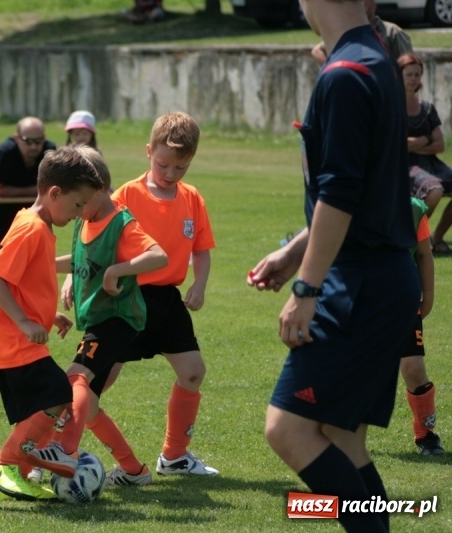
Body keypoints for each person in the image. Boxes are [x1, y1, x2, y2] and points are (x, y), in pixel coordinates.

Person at [248, 1, 421, 531]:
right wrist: (293, 251)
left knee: (288, 429)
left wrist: (306, 286)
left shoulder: (346, 74)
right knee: (343, 439)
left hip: (358, 285)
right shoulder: (375, 60)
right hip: (382, 277)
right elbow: (361, 191)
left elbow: (341, 193)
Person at [85, 112, 219, 480]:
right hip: (126, 300)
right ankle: (50, 446)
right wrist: (73, 280)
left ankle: (174, 456)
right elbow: (94, 242)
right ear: (148, 152)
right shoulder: (126, 194)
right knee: (93, 383)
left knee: (193, 373)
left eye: (181, 167)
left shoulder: (192, 199)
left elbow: (202, 249)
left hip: (167, 303)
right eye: (163, 164)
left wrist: (199, 284)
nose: (171, 173)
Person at [0, 145, 104, 501]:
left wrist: (47, 316)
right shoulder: (31, 228)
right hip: (9, 336)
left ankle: (25, 468)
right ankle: (5, 463)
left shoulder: (40, 226)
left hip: (18, 333)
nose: (79, 214)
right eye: (77, 205)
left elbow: (26, 282)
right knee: (57, 394)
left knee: (47, 401)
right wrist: (23, 321)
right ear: (54, 192)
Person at [40, 159, 167, 487]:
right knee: (89, 405)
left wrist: (116, 271)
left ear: (99, 191)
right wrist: (42, 264)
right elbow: (81, 260)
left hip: (118, 318)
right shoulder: (85, 221)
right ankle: (133, 470)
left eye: (81, 200)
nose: (77, 208)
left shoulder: (120, 222)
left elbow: (158, 256)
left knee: (74, 378)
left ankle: (62, 451)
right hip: (97, 318)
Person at [397, 54, 452, 255]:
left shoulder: (427, 108)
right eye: (409, 74)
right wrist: (427, 139)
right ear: (398, 75)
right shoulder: (392, 107)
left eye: (417, 75)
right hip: (405, 166)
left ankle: (436, 238)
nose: (413, 79)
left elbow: (440, 145)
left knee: (437, 187)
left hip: (432, 163)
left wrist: (417, 144)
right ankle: (413, 237)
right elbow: (397, 146)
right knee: (434, 190)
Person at [401, 198, 444, 455]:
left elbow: (424, 254)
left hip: (402, 300)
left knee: (414, 368)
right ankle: (337, 433)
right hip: (358, 303)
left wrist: (426, 297)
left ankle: (426, 434)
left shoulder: (414, 208)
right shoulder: (349, 200)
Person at [0, 116, 56, 255]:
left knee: (35, 253)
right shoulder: (5, 153)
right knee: (3, 253)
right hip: (1, 209)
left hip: (34, 208)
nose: (34, 146)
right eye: (27, 141)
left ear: (44, 137)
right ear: (17, 138)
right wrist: (37, 190)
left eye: (38, 141)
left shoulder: (51, 153)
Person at [309, 0, 412, 66]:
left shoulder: (393, 32)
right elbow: (317, 51)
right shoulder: (348, 31)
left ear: (373, 5)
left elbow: (409, 63)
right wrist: (332, 68)